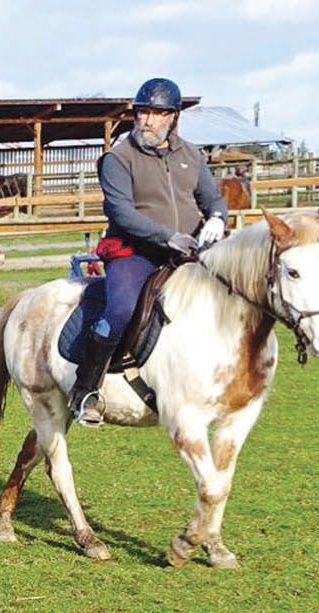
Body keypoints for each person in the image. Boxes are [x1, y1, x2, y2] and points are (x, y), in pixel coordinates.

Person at [73, 78, 230, 425]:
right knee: (119, 309)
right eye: (143, 112)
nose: (148, 121)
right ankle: (85, 390)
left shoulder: (191, 155)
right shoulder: (118, 158)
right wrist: (167, 236)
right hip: (135, 253)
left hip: (188, 251)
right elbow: (121, 212)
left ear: (173, 117)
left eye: (157, 114)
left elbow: (212, 198)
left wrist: (218, 217)